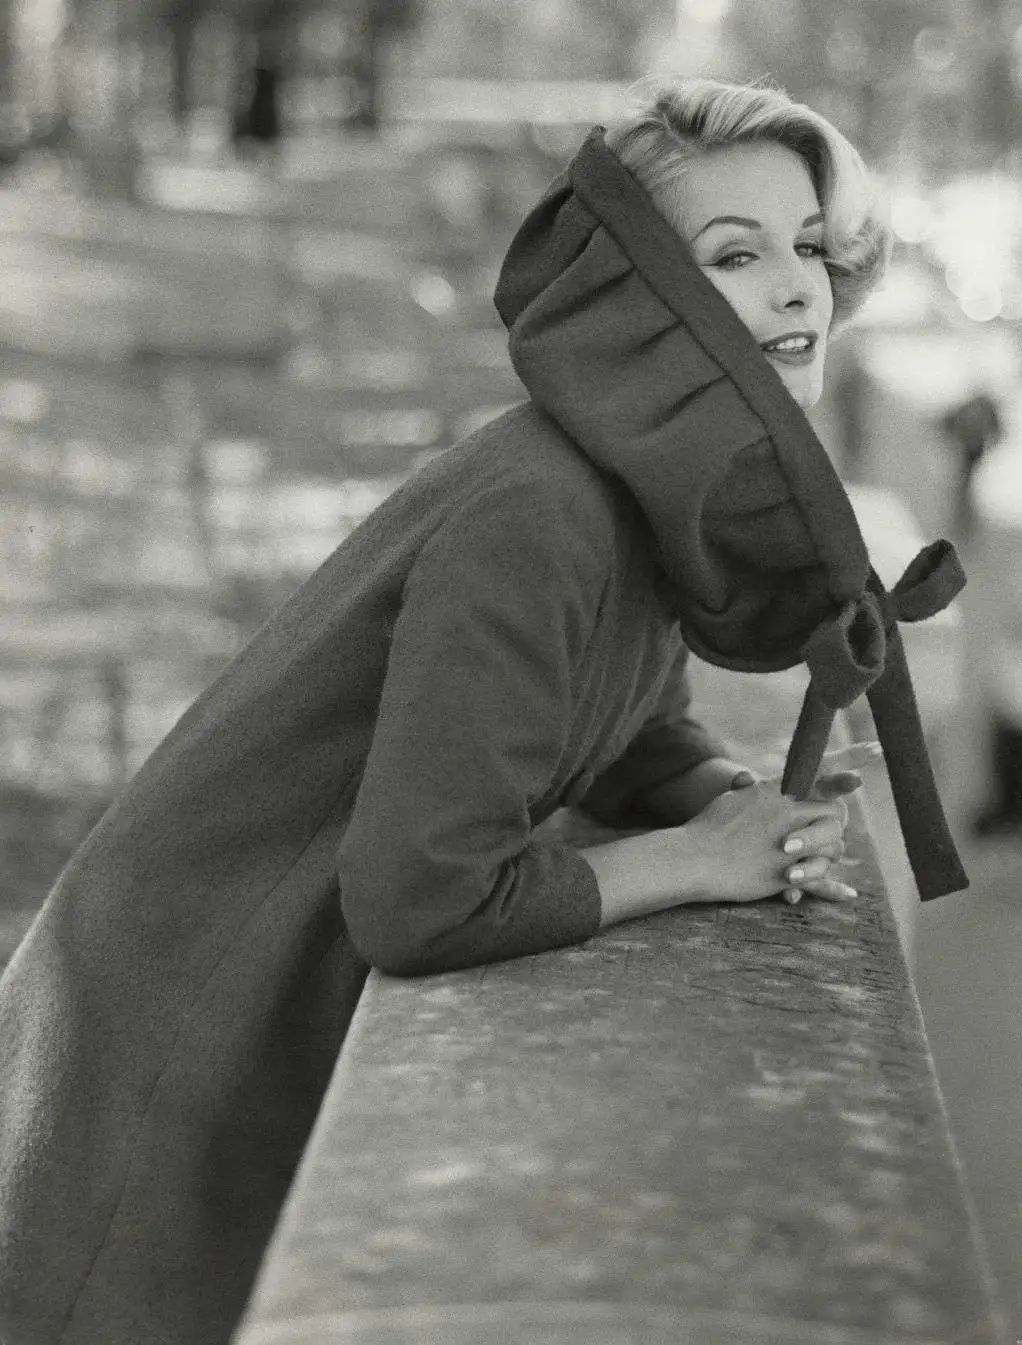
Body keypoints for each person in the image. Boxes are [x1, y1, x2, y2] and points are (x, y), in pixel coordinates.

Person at [0, 76, 964, 1345]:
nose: (799, 289)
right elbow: (423, 895)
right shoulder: (537, 513)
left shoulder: (629, 484)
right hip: (168, 1051)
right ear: (633, 301)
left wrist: (719, 795)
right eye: (736, 256)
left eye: (806, 246)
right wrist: (693, 862)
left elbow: (617, 716)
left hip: (235, 1019)